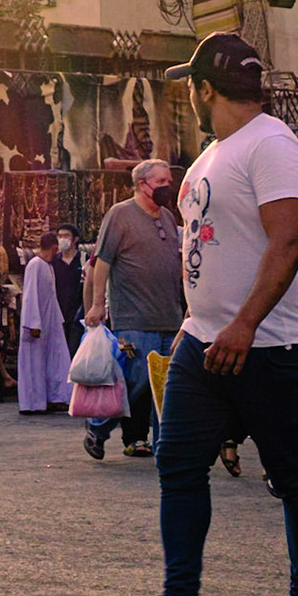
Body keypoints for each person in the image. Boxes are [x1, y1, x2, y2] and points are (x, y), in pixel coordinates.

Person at [109, 33, 298, 596]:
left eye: (190, 83)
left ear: (204, 88)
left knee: (294, 478)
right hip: (203, 340)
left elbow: (287, 243)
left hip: (275, 344)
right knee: (177, 464)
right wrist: (203, 321)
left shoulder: (273, 147)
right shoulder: (216, 151)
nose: (186, 93)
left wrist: (245, 323)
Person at [82, 159, 184, 460]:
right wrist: (98, 304)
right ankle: (98, 427)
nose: (168, 187)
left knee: (166, 388)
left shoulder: (166, 217)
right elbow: (102, 262)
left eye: (169, 181)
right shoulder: (120, 215)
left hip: (170, 317)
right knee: (137, 379)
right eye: (162, 182)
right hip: (134, 317)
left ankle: (165, 445)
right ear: (143, 184)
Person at [16, 233, 71, 414]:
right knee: (33, 363)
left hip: (49, 322)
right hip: (37, 323)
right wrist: (33, 323)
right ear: (54, 247)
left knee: (51, 360)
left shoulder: (47, 266)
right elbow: (30, 295)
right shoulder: (35, 265)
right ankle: (32, 403)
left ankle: (52, 398)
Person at [52, 224, 86, 354]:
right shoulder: (54, 261)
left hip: (77, 315)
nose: (62, 239)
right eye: (60, 236)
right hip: (58, 314)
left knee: (74, 351)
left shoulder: (83, 260)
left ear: (75, 239)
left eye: (66, 236)